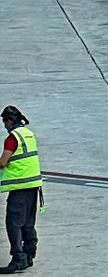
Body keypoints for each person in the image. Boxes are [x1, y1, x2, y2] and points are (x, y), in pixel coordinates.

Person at [0, 106, 41, 273]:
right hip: (33, 185)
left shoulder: (12, 138)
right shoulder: (28, 134)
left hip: (20, 187)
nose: (4, 125)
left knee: (13, 224)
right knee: (28, 223)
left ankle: (18, 259)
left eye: (4, 121)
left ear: (10, 120)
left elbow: (3, 162)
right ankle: (29, 254)